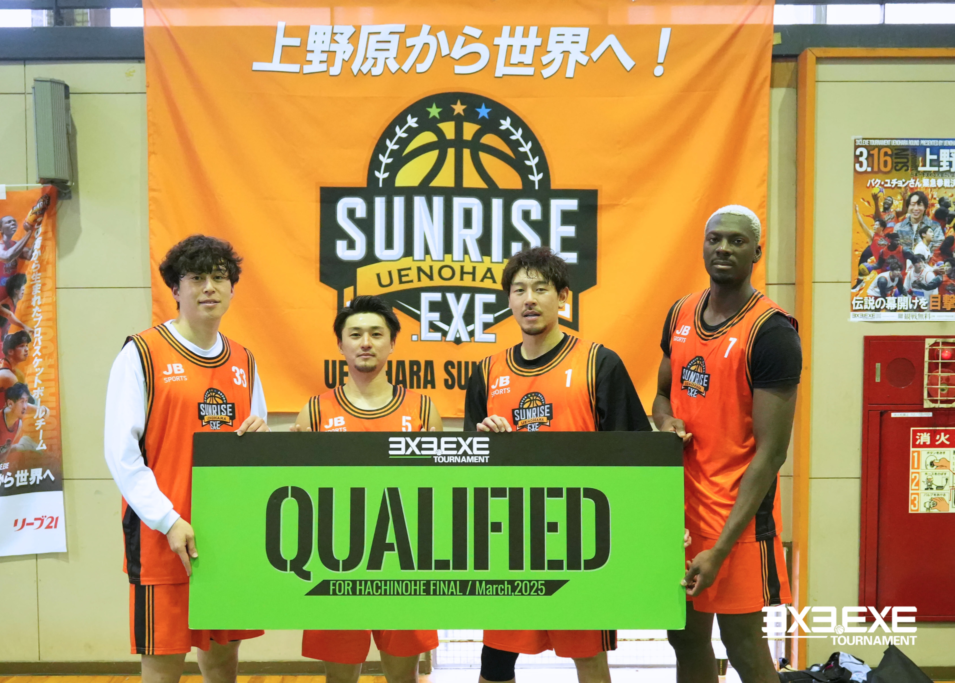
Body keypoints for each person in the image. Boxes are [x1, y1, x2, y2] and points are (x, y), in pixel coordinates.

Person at [464, 246, 652, 683]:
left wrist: (653, 528)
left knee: (589, 659)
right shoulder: (488, 372)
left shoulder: (599, 363)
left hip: (582, 542)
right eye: (519, 290)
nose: (529, 299)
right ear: (509, 300)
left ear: (563, 296)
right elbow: (469, 465)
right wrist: (484, 442)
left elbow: (636, 456)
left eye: (541, 289)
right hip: (509, 543)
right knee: (494, 661)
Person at [103, 235, 269, 681]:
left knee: (223, 659)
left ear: (232, 288)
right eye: (196, 278)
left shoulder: (244, 360)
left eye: (219, 277)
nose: (209, 287)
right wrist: (168, 519)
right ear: (175, 289)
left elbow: (254, 444)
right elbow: (121, 453)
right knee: (163, 664)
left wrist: (261, 439)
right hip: (163, 537)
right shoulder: (141, 353)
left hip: (226, 537)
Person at [653, 205, 800, 683]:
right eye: (715, 238)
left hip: (739, 521)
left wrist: (720, 548)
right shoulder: (680, 313)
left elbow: (772, 453)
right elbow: (661, 395)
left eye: (737, 241)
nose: (723, 248)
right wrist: (666, 421)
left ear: (757, 251)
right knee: (684, 637)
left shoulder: (772, 332)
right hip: (681, 512)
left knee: (744, 647)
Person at [292, 295, 441, 683]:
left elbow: (439, 492)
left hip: (404, 563)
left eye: (376, 334)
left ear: (392, 343)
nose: (365, 342)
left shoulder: (422, 410)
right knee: (340, 680)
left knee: (404, 678)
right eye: (355, 334)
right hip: (336, 561)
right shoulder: (315, 411)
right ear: (340, 345)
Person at [0, 194, 47, 302]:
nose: (13, 223)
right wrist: (29, 232)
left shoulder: (15, 245)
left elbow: (30, 255)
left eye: (14, 222)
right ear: (1, 229)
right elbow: (8, 256)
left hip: (8, 295)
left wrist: (37, 228)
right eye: (8, 222)